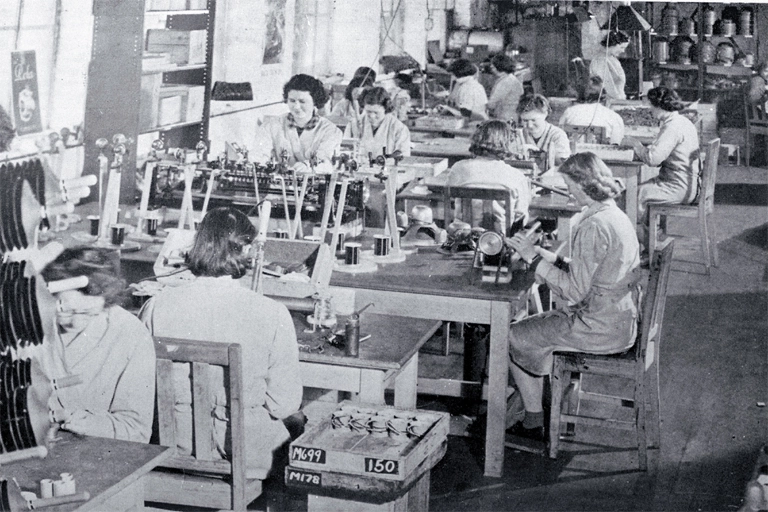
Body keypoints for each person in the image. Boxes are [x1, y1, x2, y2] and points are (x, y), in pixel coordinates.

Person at [140, 207, 302, 479]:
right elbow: (283, 404)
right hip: (247, 460)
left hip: (175, 451)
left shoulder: (156, 306)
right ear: (247, 251)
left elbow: (143, 389)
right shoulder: (273, 313)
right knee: (298, 426)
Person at [505, 152, 641, 440]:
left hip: (597, 328)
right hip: (619, 320)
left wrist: (532, 259)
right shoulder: (613, 214)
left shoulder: (592, 225)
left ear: (583, 184)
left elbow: (575, 291)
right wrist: (550, 258)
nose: (567, 192)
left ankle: (533, 419)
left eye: (569, 185)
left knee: (510, 336)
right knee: (536, 328)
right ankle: (541, 399)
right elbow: (596, 273)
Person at [40, 247, 155, 443]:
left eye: (88, 313)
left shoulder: (131, 335)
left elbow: (137, 429)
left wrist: (87, 424)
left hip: (100, 451)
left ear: (107, 302)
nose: (75, 323)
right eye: (65, 312)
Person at [625, 87, 700, 252]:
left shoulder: (672, 127)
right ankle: (651, 241)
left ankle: (648, 248)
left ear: (659, 105)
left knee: (631, 197)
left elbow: (653, 160)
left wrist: (635, 144)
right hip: (686, 183)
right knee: (637, 193)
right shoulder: (681, 121)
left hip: (677, 187)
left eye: (651, 106)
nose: (650, 110)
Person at [446, 120, 530, 233]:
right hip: (499, 241)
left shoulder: (458, 168)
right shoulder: (516, 176)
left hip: (462, 238)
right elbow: (521, 217)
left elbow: (449, 196)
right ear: (508, 143)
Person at [253, 74, 342, 170]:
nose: (296, 106)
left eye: (302, 101)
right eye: (292, 100)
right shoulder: (271, 126)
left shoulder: (330, 131)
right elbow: (259, 154)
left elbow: (324, 160)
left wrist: (306, 167)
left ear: (315, 101)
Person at [344, 86, 411, 158]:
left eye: (376, 113)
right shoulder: (354, 125)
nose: (372, 116)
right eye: (368, 112)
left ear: (386, 108)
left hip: (389, 168)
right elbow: (344, 150)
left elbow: (403, 158)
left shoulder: (399, 129)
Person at [559, 75, 625, 145]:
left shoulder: (569, 112)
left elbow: (560, 135)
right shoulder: (614, 117)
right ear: (604, 98)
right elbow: (615, 144)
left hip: (574, 154)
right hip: (601, 155)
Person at [517, 93, 571, 171]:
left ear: (545, 114)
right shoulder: (520, 134)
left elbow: (563, 163)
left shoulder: (557, 135)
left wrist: (538, 154)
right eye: (525, 120)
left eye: (533, 120)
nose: (530, 125)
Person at [589, 30, 630, 101]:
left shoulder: (611, 58)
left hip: (616, 99)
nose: (623, 51)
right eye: (621, 47)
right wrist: (619, 100)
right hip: (610, 101)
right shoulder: (601, 59)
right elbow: (608, 86)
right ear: (612, 44)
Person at [486, 54, 524, 123]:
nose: (491, 66)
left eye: (493, 65)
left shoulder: (506, 82)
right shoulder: (511, 78)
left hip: (504, 118)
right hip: (511, 117)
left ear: (499, 65)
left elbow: (492, 104)